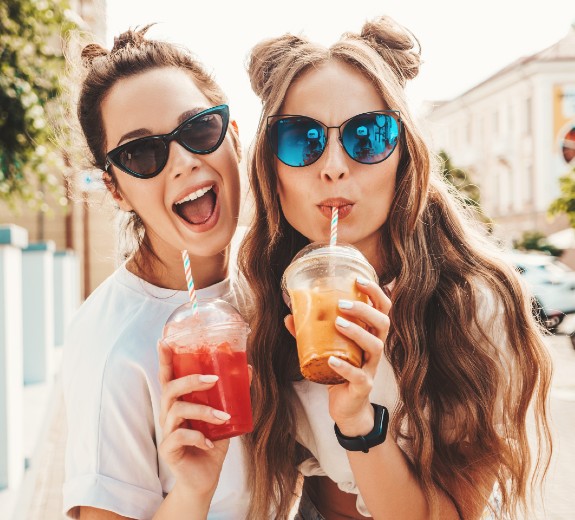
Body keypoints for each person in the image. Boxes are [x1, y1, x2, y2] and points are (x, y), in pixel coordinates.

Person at [238, 15, 553, 520]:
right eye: (301, 139)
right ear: (271, 171)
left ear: (405, 155)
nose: (335, 166)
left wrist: (359, 419)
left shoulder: (471, 304)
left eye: (367, 136)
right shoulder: (260, 293)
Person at [62, 26, 250, 519]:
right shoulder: (112, 345)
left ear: (232, 136)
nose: (184, 162)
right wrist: (190, 493)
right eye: (142, 153)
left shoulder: (275, 281)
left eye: (199, 130)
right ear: (116, 188)